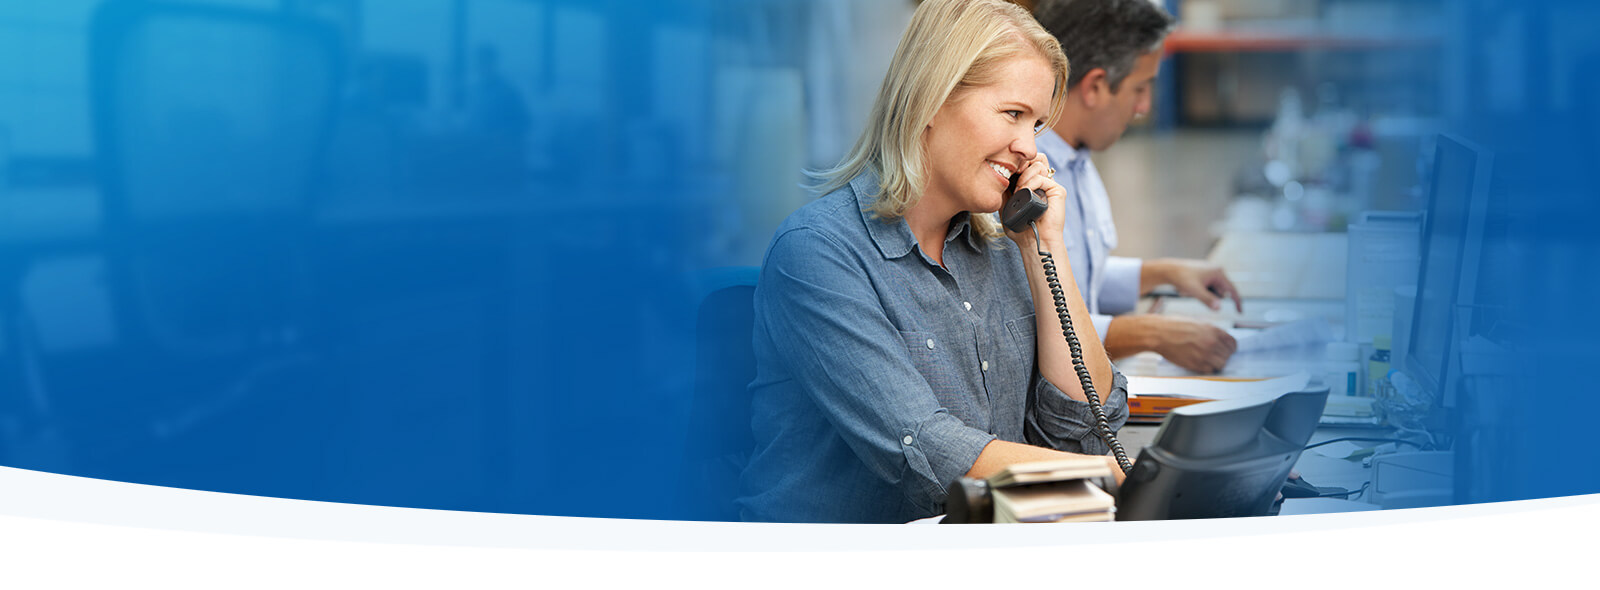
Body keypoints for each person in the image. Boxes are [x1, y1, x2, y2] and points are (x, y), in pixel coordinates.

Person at [737, 0, 1129, 523]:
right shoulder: (818, 251)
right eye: (1013, 114)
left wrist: (1045, 251)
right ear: (931, 99)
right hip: (837, 557)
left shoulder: (1003, 250)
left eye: (1036, 125)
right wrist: (1109, 477)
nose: (1028, 149)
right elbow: (925, 449)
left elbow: (1085, 431)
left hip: (975, 544)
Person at [1031, 0, 1242, 374]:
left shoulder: (1078, 160)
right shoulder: (1025, 180)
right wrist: (1152, 333)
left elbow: (1073, 280)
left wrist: (1166, 273)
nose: (1143, 106)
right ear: (1095, 86)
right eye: (1140, 87)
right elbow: (1031, 325)